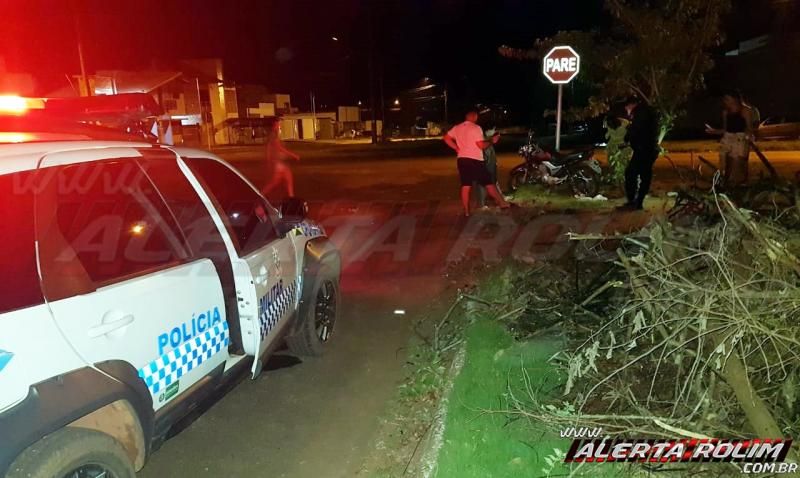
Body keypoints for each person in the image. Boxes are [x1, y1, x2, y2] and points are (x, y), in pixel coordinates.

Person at [443, 110, 510, 216]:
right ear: (475, 117)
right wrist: (492, 140)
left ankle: (466, 211)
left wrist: (456, 148)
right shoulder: (476, 128)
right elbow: (481, 145)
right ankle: (502, 203)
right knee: (489, 183)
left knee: (466, 185)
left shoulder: (457, 127)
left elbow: (446, 138)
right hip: (475, 160)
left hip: (462, 159)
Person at [618, 96, 660, 211]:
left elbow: (636, 130)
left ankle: (634, 201)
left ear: (631, 105)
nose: (626, 110)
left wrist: (626, 139)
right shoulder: (646, 111)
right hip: (648, 149)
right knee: (644, 175)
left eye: (627, 107)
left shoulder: (640, 113)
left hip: (644, 150)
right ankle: (638, 202)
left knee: (631, 173)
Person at [705, 90, 754, 186]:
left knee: (738, 162)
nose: (725, 101)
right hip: (728, 138)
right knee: (724, 162)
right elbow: (726, 129)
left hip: (740, 138)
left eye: (728, 99)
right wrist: (714, 131)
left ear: (735, 99)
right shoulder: (726, 112)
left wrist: (748, 138)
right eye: (725, 99)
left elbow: (749, 128)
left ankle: (739, 183)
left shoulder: (745, 110)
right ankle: (725, 182)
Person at [261, 117, 300, 198]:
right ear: (274, 124)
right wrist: (293, 155)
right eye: (278, 123)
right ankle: (291, 198)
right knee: (287, 177)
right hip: (278, 163)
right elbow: (279, 148)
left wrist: (269, 160)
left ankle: (261, 194)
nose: (279, 125)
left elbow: (269, 148)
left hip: (277, 163)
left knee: (276, 182)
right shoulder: (274, 134)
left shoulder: (273, 134)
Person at [476, 124, 501, 208]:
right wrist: (492, 140)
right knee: (485, 183)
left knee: (491, 182)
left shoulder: (487, 140)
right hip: (486, 164)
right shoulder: (483, 140)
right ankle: (483, 203)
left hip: (490, 164)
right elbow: (484, 151)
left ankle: (493, 200)